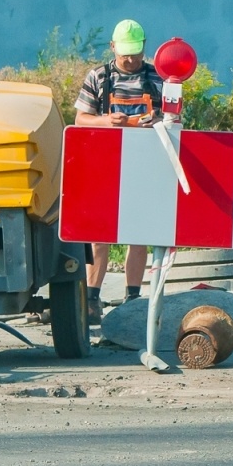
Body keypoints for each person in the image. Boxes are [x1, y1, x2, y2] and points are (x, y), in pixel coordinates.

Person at [74, 19, 164, 320]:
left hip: (144, 164)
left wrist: (159, 121)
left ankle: (133, 299)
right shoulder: (98, 77)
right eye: (125, 53)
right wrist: (105, 122)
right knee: (99, 235)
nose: (130, 59)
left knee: (137, 232)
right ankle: (91, 299)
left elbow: (174, 119)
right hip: (105, 165)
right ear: (113, 48)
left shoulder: (157, 78)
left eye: (136, 53)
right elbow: (80, 120)